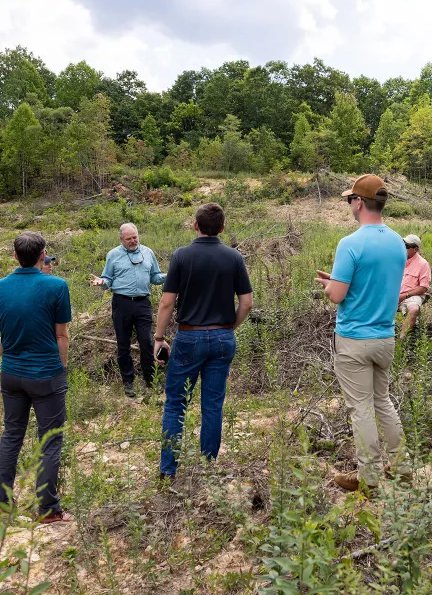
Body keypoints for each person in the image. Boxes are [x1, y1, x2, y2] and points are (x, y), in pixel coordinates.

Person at [315, 174, 410, 491]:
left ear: (359, 202)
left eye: (349, 200)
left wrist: (331, 284)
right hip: (385, 337)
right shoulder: (397, 242)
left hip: (355, 339)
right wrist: (341, 280)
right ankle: (401, 466)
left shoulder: (350, 243)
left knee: (361, 409)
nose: (349, 204)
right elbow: (375, 283)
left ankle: (368, 478)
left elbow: (337, 296)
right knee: (382, 402)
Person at [154, 203, 253, 481]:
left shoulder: (182, 256)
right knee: (212, 404)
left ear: (195, 225)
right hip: (222, 337)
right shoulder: (233, 257)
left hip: (188, 336)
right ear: (222, 228)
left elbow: (167, 302)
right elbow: (246, 302)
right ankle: (208, 468)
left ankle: (168, 470)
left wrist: (159, 338)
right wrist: (229, 326)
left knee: (175, 403)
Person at [0, 232, 73, 523]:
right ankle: (48, 509)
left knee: (11, 435)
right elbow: (61, 335)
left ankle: (3, 500)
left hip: (11, 373)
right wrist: (62, 370)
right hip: (45, 375)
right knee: (50, 441)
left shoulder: (2, 287)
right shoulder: (56, 286)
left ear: (15, 256)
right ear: (43, 255)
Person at [89, 223, 165, 397]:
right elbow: (107, 279)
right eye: (129, 239)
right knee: (123, 344)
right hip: (121, 303)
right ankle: (128, 382)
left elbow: (155, 277)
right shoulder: (113, 255)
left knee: (146, 341)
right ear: (121, 239)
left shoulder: (148, 252)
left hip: (143, 303)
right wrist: (101, 282)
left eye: (135, 237)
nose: (133, 241)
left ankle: (151, 380)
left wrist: (170, 276)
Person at [398, 234, 431, 339]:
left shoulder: (423, 264)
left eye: (407, 246)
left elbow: (423, 287)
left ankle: (402, 341)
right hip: (395, 293)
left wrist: (404, 296)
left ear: (415, 249)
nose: (404, 248)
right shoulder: (398, 260)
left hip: (412, 295)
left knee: (413, 309)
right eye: (403, 245)